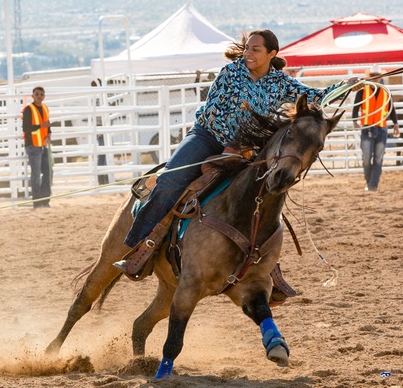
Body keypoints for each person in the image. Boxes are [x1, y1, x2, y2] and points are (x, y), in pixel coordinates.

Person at [113, 28, 350, 279]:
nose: (248, 53)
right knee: (170, 181)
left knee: (262, 193)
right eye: (247, 48)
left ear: (272, 54)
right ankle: (138, 248)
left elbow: (318, 96)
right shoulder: (231, 72)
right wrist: (235, 144)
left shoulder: (281, 83)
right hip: (208, 136)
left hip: (244, 146)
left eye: (255, 50)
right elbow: (215, 111)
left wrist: (346, 86)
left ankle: (266, 268)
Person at [352, 70, 399, 193]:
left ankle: (373, 185)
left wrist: (395, 123)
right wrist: (355, 121)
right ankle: (370, 183)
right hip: (367, 128)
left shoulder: (386, 92)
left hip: (381, 128)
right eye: (373, 76)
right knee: (367, 158)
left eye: (377, 76)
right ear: (369, 78)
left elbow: (391, 108)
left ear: (381, 78)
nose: (375, 78)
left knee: (378, 158)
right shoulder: (362, 91)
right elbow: (355, 107)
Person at [22, 86, 52, 208]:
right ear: (32, 96)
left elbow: (47, 125)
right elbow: (26, 128)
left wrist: (48, 135)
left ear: (44, 96)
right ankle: (37, 202)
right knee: (36, 174)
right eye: (37, 94)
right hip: (33, 146)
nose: (39, 96)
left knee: (48, 173)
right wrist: (41, 126)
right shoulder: (28, 109)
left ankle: (45, 200)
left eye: (41, 94)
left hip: (43, 145)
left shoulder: (45, 108)